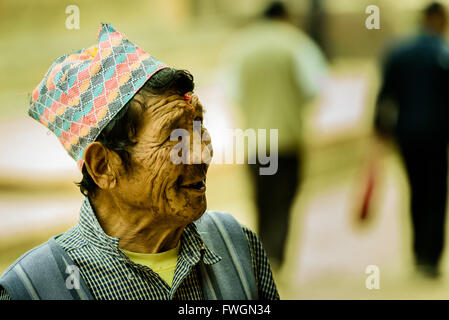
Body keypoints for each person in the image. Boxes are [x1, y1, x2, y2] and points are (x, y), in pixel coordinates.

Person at [0, 23, 279, 300]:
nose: (201, 154)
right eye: (174, 136)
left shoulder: (238, 246)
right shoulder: (32, 290)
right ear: (103, 166)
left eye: (199, 127)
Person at [222, 1, 327, 268]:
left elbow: (232, 91)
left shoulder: (242, 46)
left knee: (263, 198)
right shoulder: (296, 44)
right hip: (286, 140)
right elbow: (314, 88)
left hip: (257, 142)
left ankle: (263, 252)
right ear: (285, 17)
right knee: (284, 198)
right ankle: (276, 255)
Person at [375, 2, 449, 278]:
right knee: (436, 193)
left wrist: (379, 130)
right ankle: (431, 257)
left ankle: (418, 254)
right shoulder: (443, 53)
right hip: (437, 136)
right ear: (438, 20)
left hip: (406, 135)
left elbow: (384, 96)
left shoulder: (400, 51)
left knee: (416, 191)